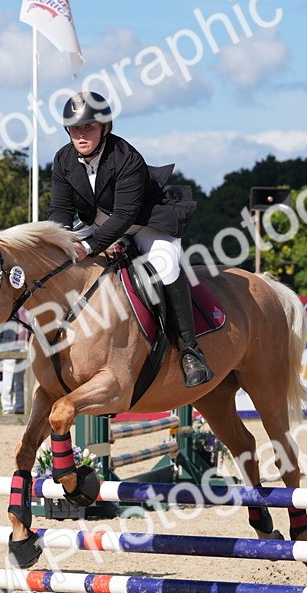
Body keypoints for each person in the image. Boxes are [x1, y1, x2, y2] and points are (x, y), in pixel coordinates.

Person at [47, 91, 211, 388]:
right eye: (75, 129)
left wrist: (87, 246)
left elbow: (124, 215)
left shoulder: (126, 157)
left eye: (88, 128)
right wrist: (57, 242)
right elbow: (60, 210)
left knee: (166, 265)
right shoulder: (63, 159)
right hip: (98, 223)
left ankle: (190, 350)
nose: (81, 135)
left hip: (143, 222)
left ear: (105, 127)